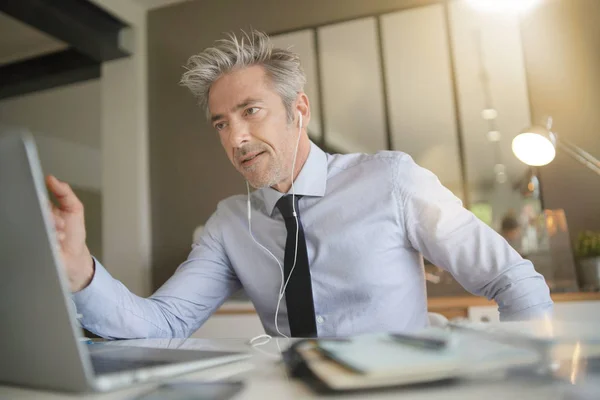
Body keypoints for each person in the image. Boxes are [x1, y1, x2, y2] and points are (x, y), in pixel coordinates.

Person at [48, 30, 552, 339]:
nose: (237, 137)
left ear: (299, 110)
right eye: (222, 123)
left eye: (251, 112)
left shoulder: (391, 180)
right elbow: (164, 323)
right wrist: (80, 272)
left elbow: (512, 280)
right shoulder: (229, 224)